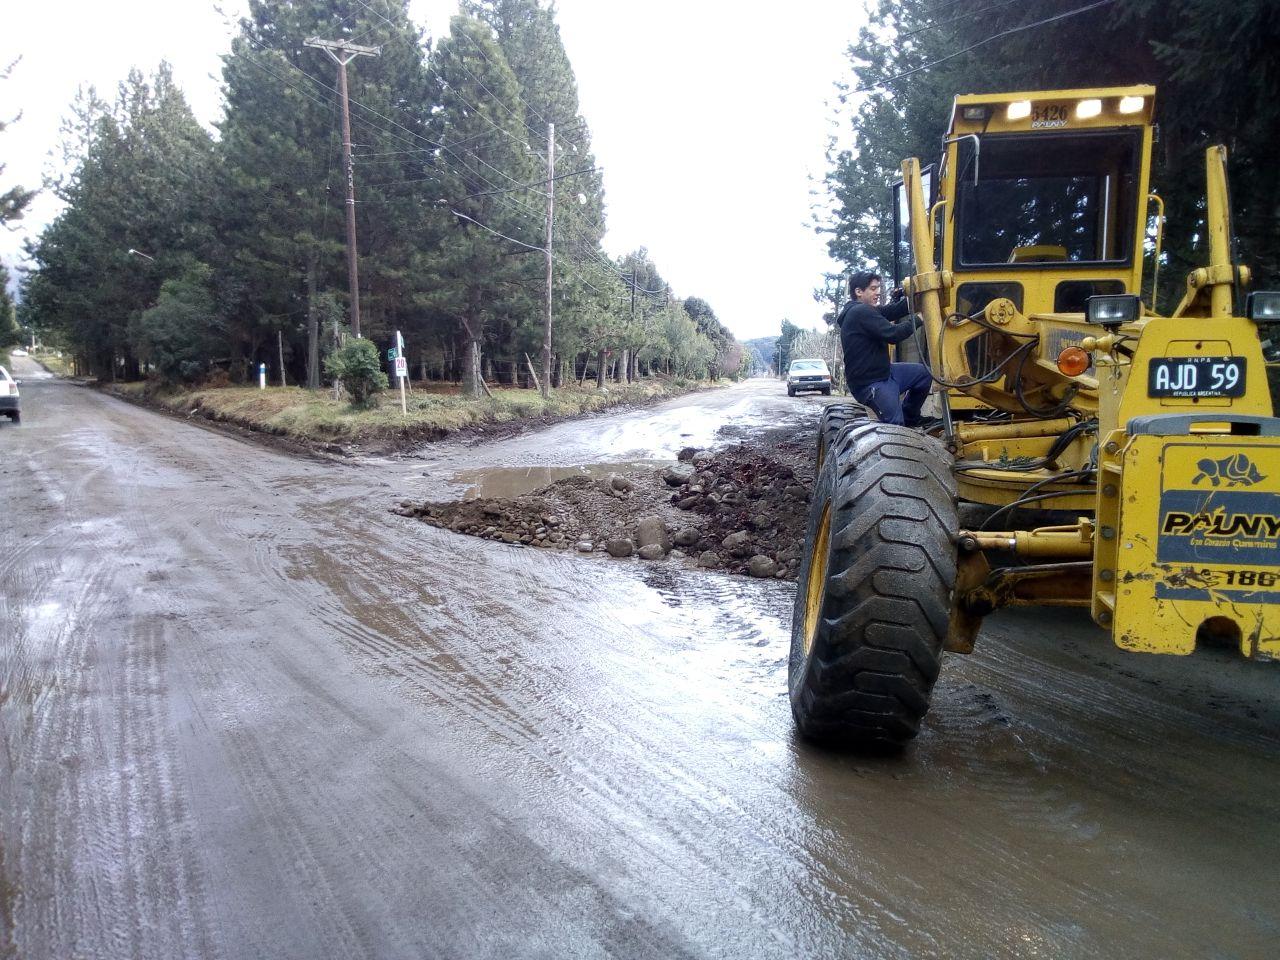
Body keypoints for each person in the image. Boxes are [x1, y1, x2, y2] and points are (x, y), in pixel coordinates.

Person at [837, 270, 932, 427]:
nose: (878, 292)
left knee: (924, 374)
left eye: (878, 288)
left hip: (886, 373)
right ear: (858, 292)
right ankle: (903, 426)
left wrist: (917, 297)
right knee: (896, 425)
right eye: (873, 289)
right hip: (871, 384)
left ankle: (911, 417)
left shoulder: (867, 310)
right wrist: (919, 318)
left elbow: (892, 311)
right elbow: (893, 334)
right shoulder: (859, 312)